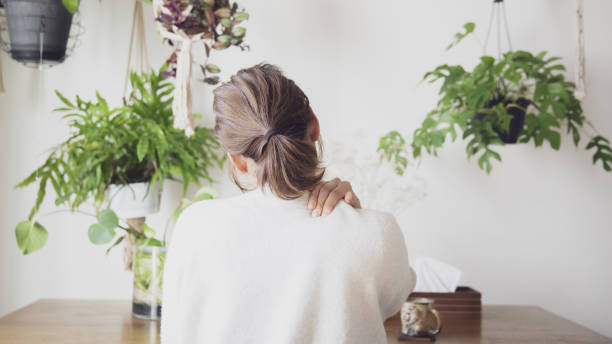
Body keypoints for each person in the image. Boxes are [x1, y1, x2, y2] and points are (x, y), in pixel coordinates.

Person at [161, 64, 416, 344]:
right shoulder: (377, 231)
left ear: (236, 160)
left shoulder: (195, 226)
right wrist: (356, 219)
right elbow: (394, 301)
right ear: (314, 126)